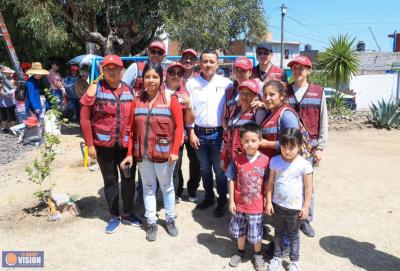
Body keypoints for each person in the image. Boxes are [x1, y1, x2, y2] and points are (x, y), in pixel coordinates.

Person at [121, 62, 184, 242]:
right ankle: (151, 222)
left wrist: (174, 151)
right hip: (143, 155)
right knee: (148, 189)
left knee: (167, 187)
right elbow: (132, 130)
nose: (151, 80)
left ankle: (170, 219)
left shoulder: (171, 99)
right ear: (142, 79)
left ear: (161, 79)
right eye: (147, 76)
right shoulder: (136, 101)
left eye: (155, 77)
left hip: (164, 155)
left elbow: (179, 127)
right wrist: (130, 153)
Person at [80, 54, 142, 234]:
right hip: (103, 147)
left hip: (125, 147)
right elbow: (84, 119)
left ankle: (128, 212)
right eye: (108, 69)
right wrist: (90, 145)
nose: (112, 72)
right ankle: (114, 215)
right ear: (102, 71)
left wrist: (132, 149)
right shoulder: (94, 89)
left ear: (122, 71)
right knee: (110, 181)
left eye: (116, 69)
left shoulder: (131, 91)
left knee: (129, 180)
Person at [186, 49, 232, 217]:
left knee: (220, 170)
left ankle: (222, 201)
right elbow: (189, 111)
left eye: (212, 62)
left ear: (217, 64)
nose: (208, 65)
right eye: (205, 61)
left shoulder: (227, 83)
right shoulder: (191, 84)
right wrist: (191, 133)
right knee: (204, 168)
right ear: (200, 63)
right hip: (199, 133)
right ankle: (209, 197)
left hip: (219, 133)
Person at [286, 55, 328, 237]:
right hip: (287, 147)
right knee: (287, 183)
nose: (297, 71)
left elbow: (323, 121)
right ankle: (289, 218)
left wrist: (320, 147)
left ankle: (306, 219)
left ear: (309, 70)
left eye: (301, 68)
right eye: (294, 68)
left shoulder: (318, 92)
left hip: (309, 148)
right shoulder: (284, 91)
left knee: (307, 184)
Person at [265, 128, 313, 271]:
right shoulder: (274, 161)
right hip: (277, 205)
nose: (287, 151)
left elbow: (308, 188)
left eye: (292, 147)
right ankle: (277, 257)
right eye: (284, 147)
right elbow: (270, 183)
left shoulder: (304, 165)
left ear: (299, 146)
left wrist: (305, 207)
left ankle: (294, 261)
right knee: (278, 232)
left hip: (295, 209)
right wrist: (268, 201)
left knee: (293, 235)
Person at [226, 123, 269, 271]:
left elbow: (269, 184)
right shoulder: (237, 160)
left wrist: (268, 201)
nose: (249, 144)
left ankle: (257, 254)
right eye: (246, 141)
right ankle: (240, 252)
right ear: (241, 141)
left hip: (256, 207)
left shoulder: (265, 161)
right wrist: (231, 200)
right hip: (239, 205)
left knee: (256, 232)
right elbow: (231, 179)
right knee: (240, 230)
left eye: (253, 140)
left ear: (260, 140)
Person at [164, 62, 195, 202]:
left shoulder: (185, 93)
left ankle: (173, 198)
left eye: (179, 73)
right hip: (159, 137)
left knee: (174, 170)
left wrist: (188, 106)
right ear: (166, 74)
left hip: (177, 138)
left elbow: (189, 120)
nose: (176, 76)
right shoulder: (159, 89)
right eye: (172, 72)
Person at [220, 79, 267, 171]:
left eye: (249, 93)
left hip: (246, 160)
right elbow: (227, 135)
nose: (245, 96)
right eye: (242, 93)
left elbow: (259, 138)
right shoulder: (235, 110)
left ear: (255, 96)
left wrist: (264, 105)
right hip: (231, 157)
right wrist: (223, 156)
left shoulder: (258, 111)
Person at [180, 48, 201, 202]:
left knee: (196, 161)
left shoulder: (200, 80)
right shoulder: (174, 76)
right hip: (177, 127)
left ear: (195, 62)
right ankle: (178, 189)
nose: (188, 61)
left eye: (191, 58)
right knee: (176, 161)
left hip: (195, 127)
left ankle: (192, 189)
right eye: (185, 58)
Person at [259, 80, 300, 158]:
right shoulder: (269, 113)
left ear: (281, 96)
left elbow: (294, 142)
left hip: (284, 164)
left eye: (272, 94)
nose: (267, 98)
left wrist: (268, 144)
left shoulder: (287, 115)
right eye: (265, 95)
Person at [0, 67, 17, 132]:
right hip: (3, 99)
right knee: (4, 114)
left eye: (9, 73)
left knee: (11, 113)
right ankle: (6, 128)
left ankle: (13, 128)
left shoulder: (11, 79)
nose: (8, 74)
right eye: (6, 73)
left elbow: (14, 88)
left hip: (10, 99)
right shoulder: (2, 79)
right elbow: (1, 90)